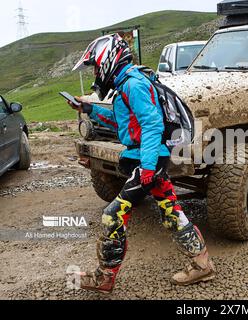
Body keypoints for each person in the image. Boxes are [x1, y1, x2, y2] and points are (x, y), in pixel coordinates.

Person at [68, 34, 216, 294]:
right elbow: (123, 120)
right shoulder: (127, 83)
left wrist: (147, 167)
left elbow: (151, 124)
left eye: (94, 66)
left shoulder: (133, 84)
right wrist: (89, 110)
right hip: (150, 157)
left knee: (112, 214)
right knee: (172, 211)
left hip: (149, 158)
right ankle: (202, 265)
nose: (95, 72)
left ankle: (105, 277)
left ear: (107, 60)